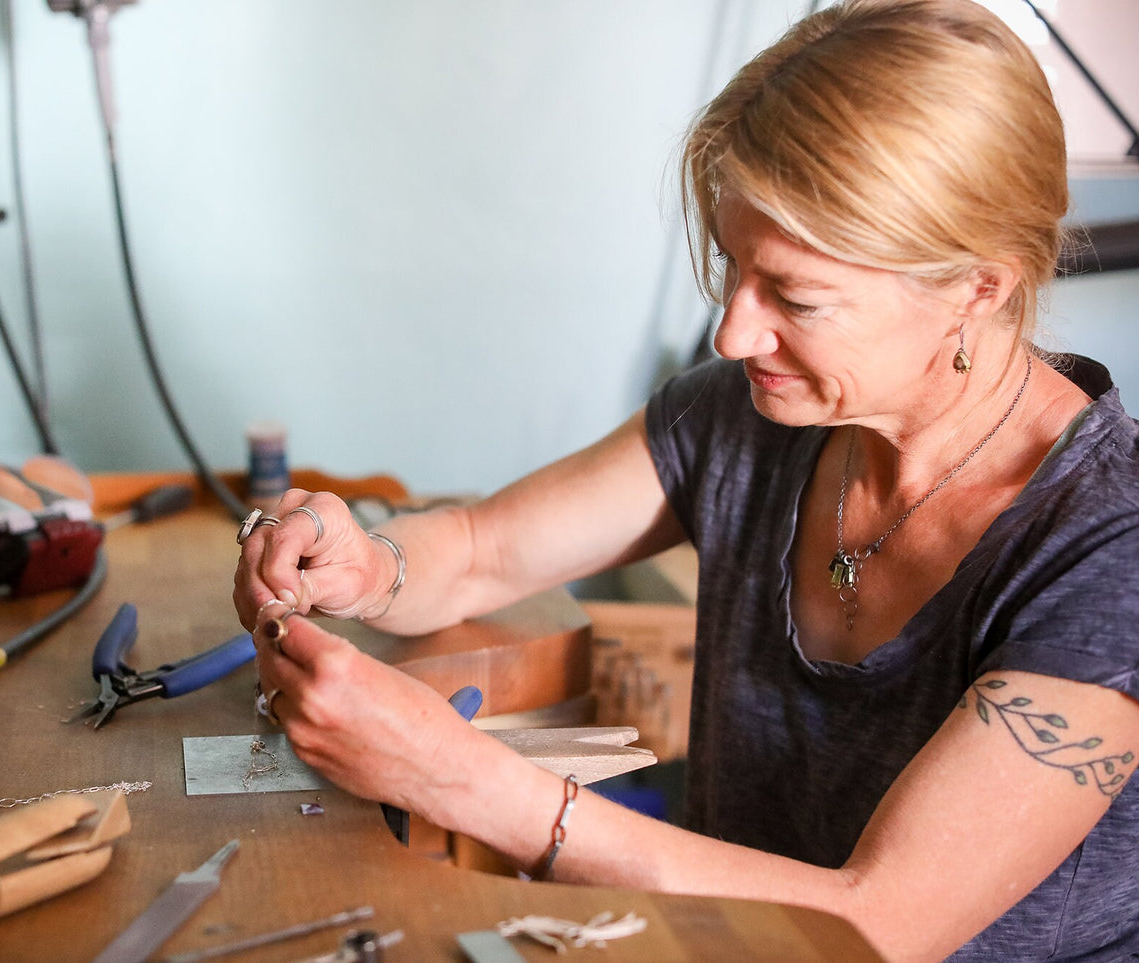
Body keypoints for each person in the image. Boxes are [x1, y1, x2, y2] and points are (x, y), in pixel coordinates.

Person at [232, 1, 1139, 959]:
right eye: (733, 266)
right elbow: (481, 550)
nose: (734, 334)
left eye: (795, 296)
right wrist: (364, 562)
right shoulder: (747, 414)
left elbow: (880, 923)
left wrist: (459, 779)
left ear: (978, 287)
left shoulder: (1108, 546)